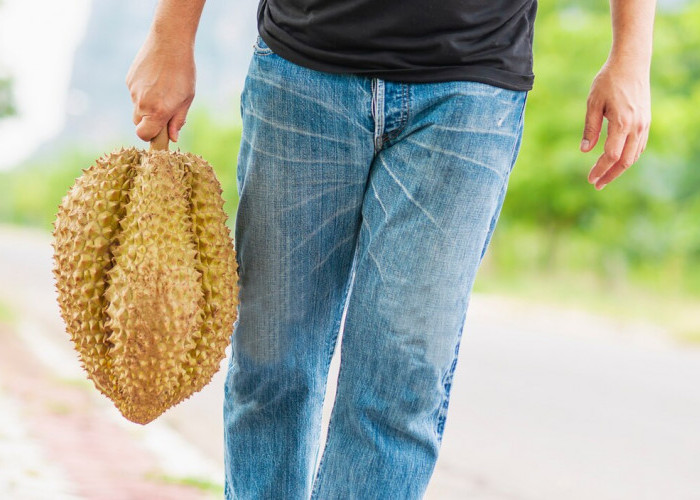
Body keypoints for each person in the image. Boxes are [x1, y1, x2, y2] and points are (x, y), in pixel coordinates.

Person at [127, 0, 655, 497]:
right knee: (270, 368)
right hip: (302, 66)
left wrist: (631, 55)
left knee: (399, 384)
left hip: (471, 85)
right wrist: (171, 32)